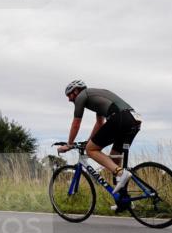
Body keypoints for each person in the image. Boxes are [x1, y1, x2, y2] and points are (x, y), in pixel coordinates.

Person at [57, 80, 142, 208]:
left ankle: (120, 173)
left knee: (91, 151)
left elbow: (76, 123)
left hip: (119, 118)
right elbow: (100, 123)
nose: (69, 99)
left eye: (69, 95)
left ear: (76, 90)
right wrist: (89, 141)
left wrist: (69, 144)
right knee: (114, 158)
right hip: (134, 120)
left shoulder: (81, 96)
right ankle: (124, 201)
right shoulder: (96, 96)